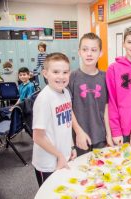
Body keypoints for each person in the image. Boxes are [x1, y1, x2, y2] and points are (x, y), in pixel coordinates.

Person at [32, 52, 76, 186]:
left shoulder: (66, 92)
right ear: (45, 74)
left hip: (62, 156)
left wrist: (71, 147)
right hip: (47, 163)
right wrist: (59, 155)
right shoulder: (44, 99)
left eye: (65, 72)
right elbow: (38, 137)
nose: (61, 77)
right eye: (56, 72)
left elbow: (67, 124)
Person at [68, 32, 113, 156]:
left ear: (100, 53)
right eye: (85, 49)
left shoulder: (105, 77)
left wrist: (109, 134)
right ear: (79, 52)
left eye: (94, 50)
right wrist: (78, 132)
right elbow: (68, 108)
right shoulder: (72, 77)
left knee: (100, 171)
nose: (89, 54)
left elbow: (107, 108)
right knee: (81, 173)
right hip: (80, 137)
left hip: (100, 136)